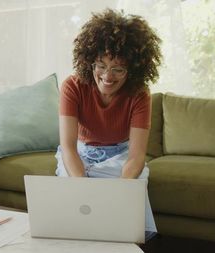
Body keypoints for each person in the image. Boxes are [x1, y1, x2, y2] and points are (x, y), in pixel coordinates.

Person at [54, 9, 162, 236]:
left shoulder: (140, 94)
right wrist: (82, 186)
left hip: (120, 156)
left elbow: (136, 156)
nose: (107, 76)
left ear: (132, 69)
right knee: (75, 206)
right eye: (100, 65)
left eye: (118, 69)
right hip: (80, 153)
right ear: (89, 61)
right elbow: (68, 147)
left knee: (127, 205)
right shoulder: (72, 86)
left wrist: (121, 191)